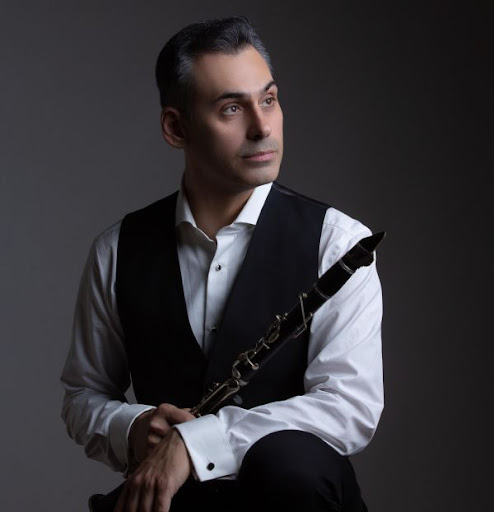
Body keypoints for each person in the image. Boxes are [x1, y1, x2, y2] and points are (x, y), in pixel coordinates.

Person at [61, 16, 383, 512]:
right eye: (231, 108)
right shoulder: (117, 249)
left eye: (269, 100)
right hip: (175, 504)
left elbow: (349, 407)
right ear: (176, 127)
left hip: (296, 500)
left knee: (292, 463)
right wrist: (135, 427)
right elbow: (84, 395)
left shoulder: (339, 243)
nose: (262, 127)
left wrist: (197, 443)